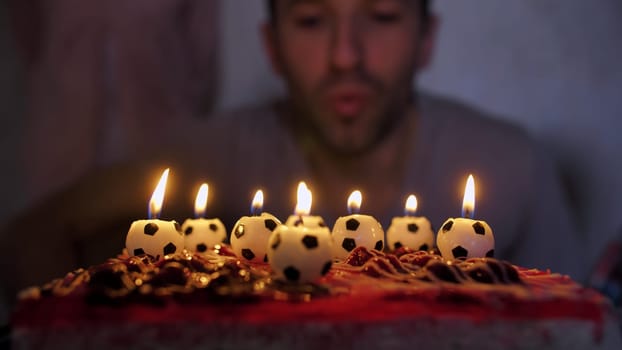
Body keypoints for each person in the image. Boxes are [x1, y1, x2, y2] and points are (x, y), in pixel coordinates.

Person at [0, 0, 587, 314]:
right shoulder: (214, 156)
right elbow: (31, 235)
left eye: (381, 17)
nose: (345, 55)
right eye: (311, 20)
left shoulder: (512, 168)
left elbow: (580, 321)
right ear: (271, 46)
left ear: (426, 37)